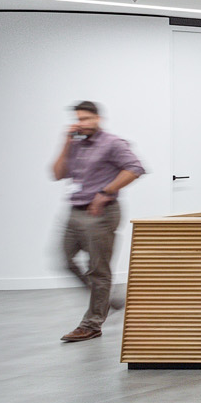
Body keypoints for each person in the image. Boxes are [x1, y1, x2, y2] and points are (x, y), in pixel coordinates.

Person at [53, 100, 145, 344]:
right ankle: (109, 301)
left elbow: (135, 168)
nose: (81, 123)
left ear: (98, 119)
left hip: (101, 213)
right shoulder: (76, 145)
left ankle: (91, 324)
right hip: (75, 210)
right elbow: (58, 173)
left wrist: (106, 192)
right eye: (78, 119)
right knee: (64, 260)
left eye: (85, 118)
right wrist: (66, 143)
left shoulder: (112, 143)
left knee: (98, 271)